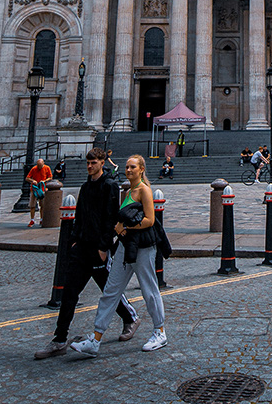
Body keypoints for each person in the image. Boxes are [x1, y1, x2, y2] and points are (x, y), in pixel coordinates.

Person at [33, 148, 139, 359]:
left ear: (102, 163)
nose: (90, 166)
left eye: (94, 163)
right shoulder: (85, 187)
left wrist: (103, 247)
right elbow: (79, 216)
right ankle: (60, 339)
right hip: (81, 247)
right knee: (69, 293)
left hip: (98, 249)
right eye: (88, 163)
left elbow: (111, 217)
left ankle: (130, 318)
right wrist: (73, 240)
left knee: (109, 291)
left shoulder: (110, 186)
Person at [70, 154, 167, 355]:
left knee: (149, 290)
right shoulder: (128, 191)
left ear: (141, 169)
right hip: (124, 247)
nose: (128, 170)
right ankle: (95, 339)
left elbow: (149, 220)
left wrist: (126, 227)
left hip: (142, 247)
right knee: (111, 291)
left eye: (132, 167)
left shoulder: (145, 190)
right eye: (127, 167)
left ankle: (160, 332)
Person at [26, 157, 52, 226]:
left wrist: (44, 181)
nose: (39, 167)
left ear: (43, 163)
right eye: (38, 165)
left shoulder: (47, 168)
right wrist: (32, 181)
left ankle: (41, 219)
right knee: (32, 205)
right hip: (34, 189)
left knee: (42, 205)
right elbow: (27, 178)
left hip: (43, 189)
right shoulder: (34, 169)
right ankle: (32, 220)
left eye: (40, 166)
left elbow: (50, 177)